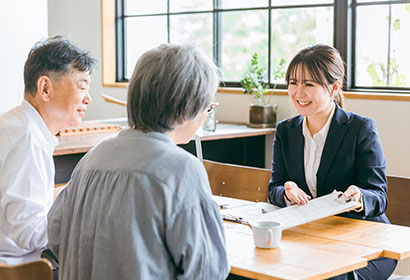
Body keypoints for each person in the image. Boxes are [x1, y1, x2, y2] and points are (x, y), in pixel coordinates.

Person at [47, 44, 230, 280]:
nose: (206, 114)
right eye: (208, 106)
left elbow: (55, 235)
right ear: (186, 109)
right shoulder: (182, 169)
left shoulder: (93, 157)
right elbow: (208, 272)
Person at [268, 44, 396, 280]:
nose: (298, 93)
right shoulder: (285, 131)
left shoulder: (360, 128)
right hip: (312, 240)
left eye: (309, 84)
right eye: (293, 83)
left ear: (334, 87)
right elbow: (274, 188)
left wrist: (359, 196)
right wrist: (286, 191)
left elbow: (379, 196)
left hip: (365, 243)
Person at [0, 36, 96, 265]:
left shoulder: (17, 124)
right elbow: (29, 233)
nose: (88, 99)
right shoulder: (27, 140)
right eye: (82, 86)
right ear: (45, 88)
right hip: (16, 270)